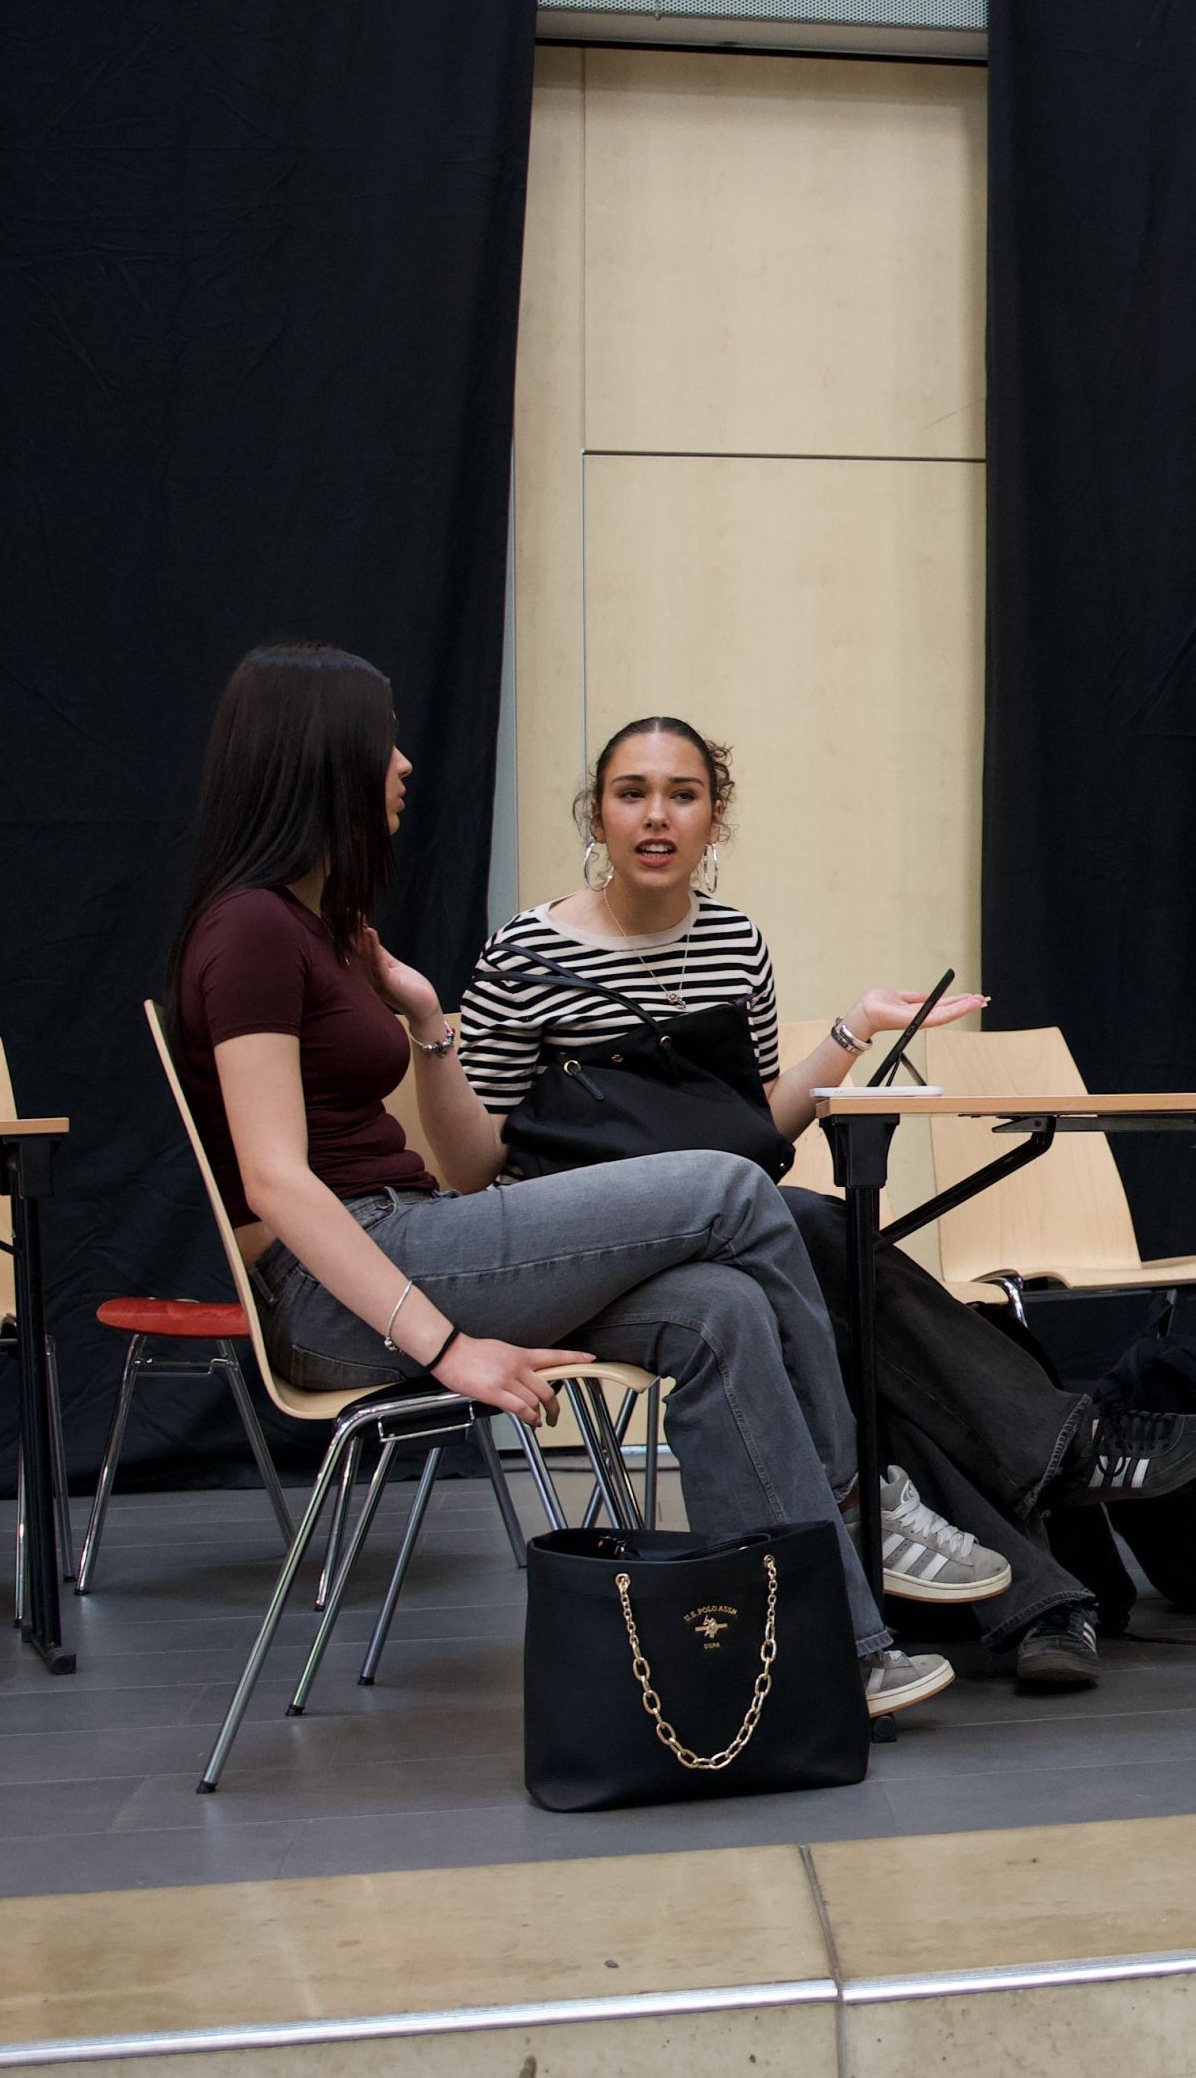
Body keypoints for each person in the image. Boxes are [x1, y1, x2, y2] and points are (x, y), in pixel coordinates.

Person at [171, 641, 950, 1718]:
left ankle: (822, 1653)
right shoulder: (250, 928)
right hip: (340, 1283)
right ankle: (857, 1497)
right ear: (320, 758)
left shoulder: (312, 927)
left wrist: (425, 1015)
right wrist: (447, 1349)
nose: (402, 762)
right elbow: (276, 1181)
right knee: (731, 1190)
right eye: (382, 740)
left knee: (718, 1310)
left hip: (404, 1239)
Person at [458, 715, 1196, 1691]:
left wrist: (852, 1030)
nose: (655, 815)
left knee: (851, 1336)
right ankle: (1066, 1465)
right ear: (596, 814)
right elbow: (473, 1161)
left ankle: (1042, 1598)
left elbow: (750, 1125)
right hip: (583, 1254)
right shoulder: (525, 953)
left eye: (681, 794)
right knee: (815, 1229)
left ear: (713, 818)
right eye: (631, 793)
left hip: (717, 1240)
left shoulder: (732, 944)